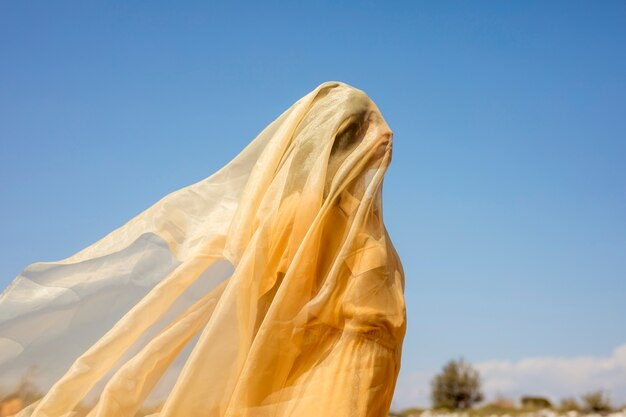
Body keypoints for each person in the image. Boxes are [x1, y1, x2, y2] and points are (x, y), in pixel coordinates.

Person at [0, 81, 406, 417]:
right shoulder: (300, 212)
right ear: (338, 144)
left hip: (366, 385)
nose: (380, 148)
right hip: (317, 388)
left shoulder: (367, 227)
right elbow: (259, 304)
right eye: (364, 137)